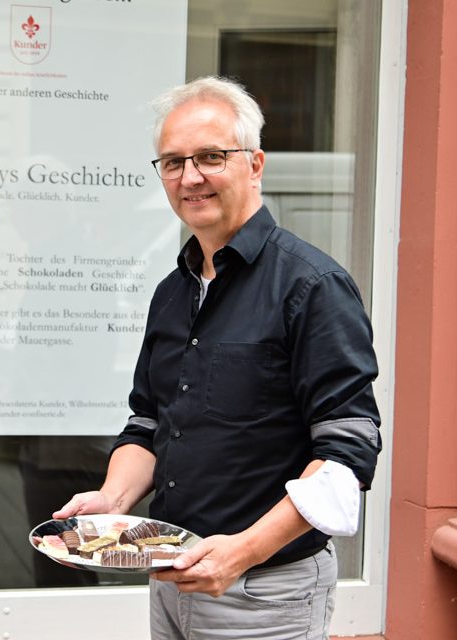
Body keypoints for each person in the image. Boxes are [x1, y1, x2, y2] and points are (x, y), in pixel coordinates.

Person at [54, 76, 381, 639]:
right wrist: (112, 501)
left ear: (255, 164)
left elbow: (347, 454)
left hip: (263, 595)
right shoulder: (172, 291)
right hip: (169, 579)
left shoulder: (313, 286)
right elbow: (148, 423)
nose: (191, 177)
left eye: (210, 157)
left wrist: (243, 553)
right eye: (173, 162)